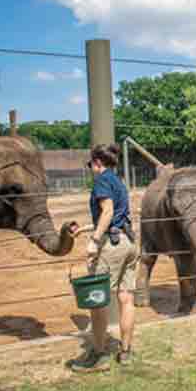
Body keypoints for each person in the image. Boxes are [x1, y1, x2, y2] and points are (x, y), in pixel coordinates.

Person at [68, 144, 139, 372]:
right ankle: (126, 352)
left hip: (110, 247)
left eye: (91, 165)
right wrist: (87, 229)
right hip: (128, 243)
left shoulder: (101, 180)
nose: (91, 169)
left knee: (97, 302)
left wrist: (94, 241)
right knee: (126, 299)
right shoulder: (118, 181)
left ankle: (98, 356)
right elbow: (116, 215)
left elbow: (107, 211)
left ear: (98, 162)